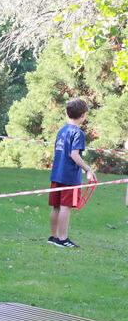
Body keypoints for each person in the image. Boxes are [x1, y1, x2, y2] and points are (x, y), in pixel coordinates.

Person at [48, 98, 96, 248]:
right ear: (83, 115)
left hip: (57, 174)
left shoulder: (62, 131)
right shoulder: (78, 133)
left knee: (56, 206)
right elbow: (74, 155)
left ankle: (54, 237)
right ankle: (63, 239)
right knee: (65, 207)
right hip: (70, 177)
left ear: (67, 114)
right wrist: (87, 169)